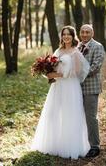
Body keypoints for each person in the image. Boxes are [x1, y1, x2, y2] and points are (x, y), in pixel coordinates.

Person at [31, 25, 90, 159]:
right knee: (54, 113)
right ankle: (54, 144)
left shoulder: (75, 52)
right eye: (64, 34)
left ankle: (70, 146)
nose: (66, 36)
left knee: (70, 114)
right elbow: (53, 66)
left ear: (73, 36)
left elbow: (76, 71)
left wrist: (55, 75)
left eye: (69, 34)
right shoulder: (58, 50)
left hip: (70, 87)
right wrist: (47, 72)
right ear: (61, 36)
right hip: (58, 87)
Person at [78, 24, 105, 158]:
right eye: (82, 32)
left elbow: (95, 67)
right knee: (78, 116)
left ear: (92, 33)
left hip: (91, 87)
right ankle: (82, 143)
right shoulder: (77, 47)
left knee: (90, 117)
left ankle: (95, 146)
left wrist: (76, 74)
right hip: (76, 88)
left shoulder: (98, 46)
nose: (84, 34)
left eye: (87, 32)